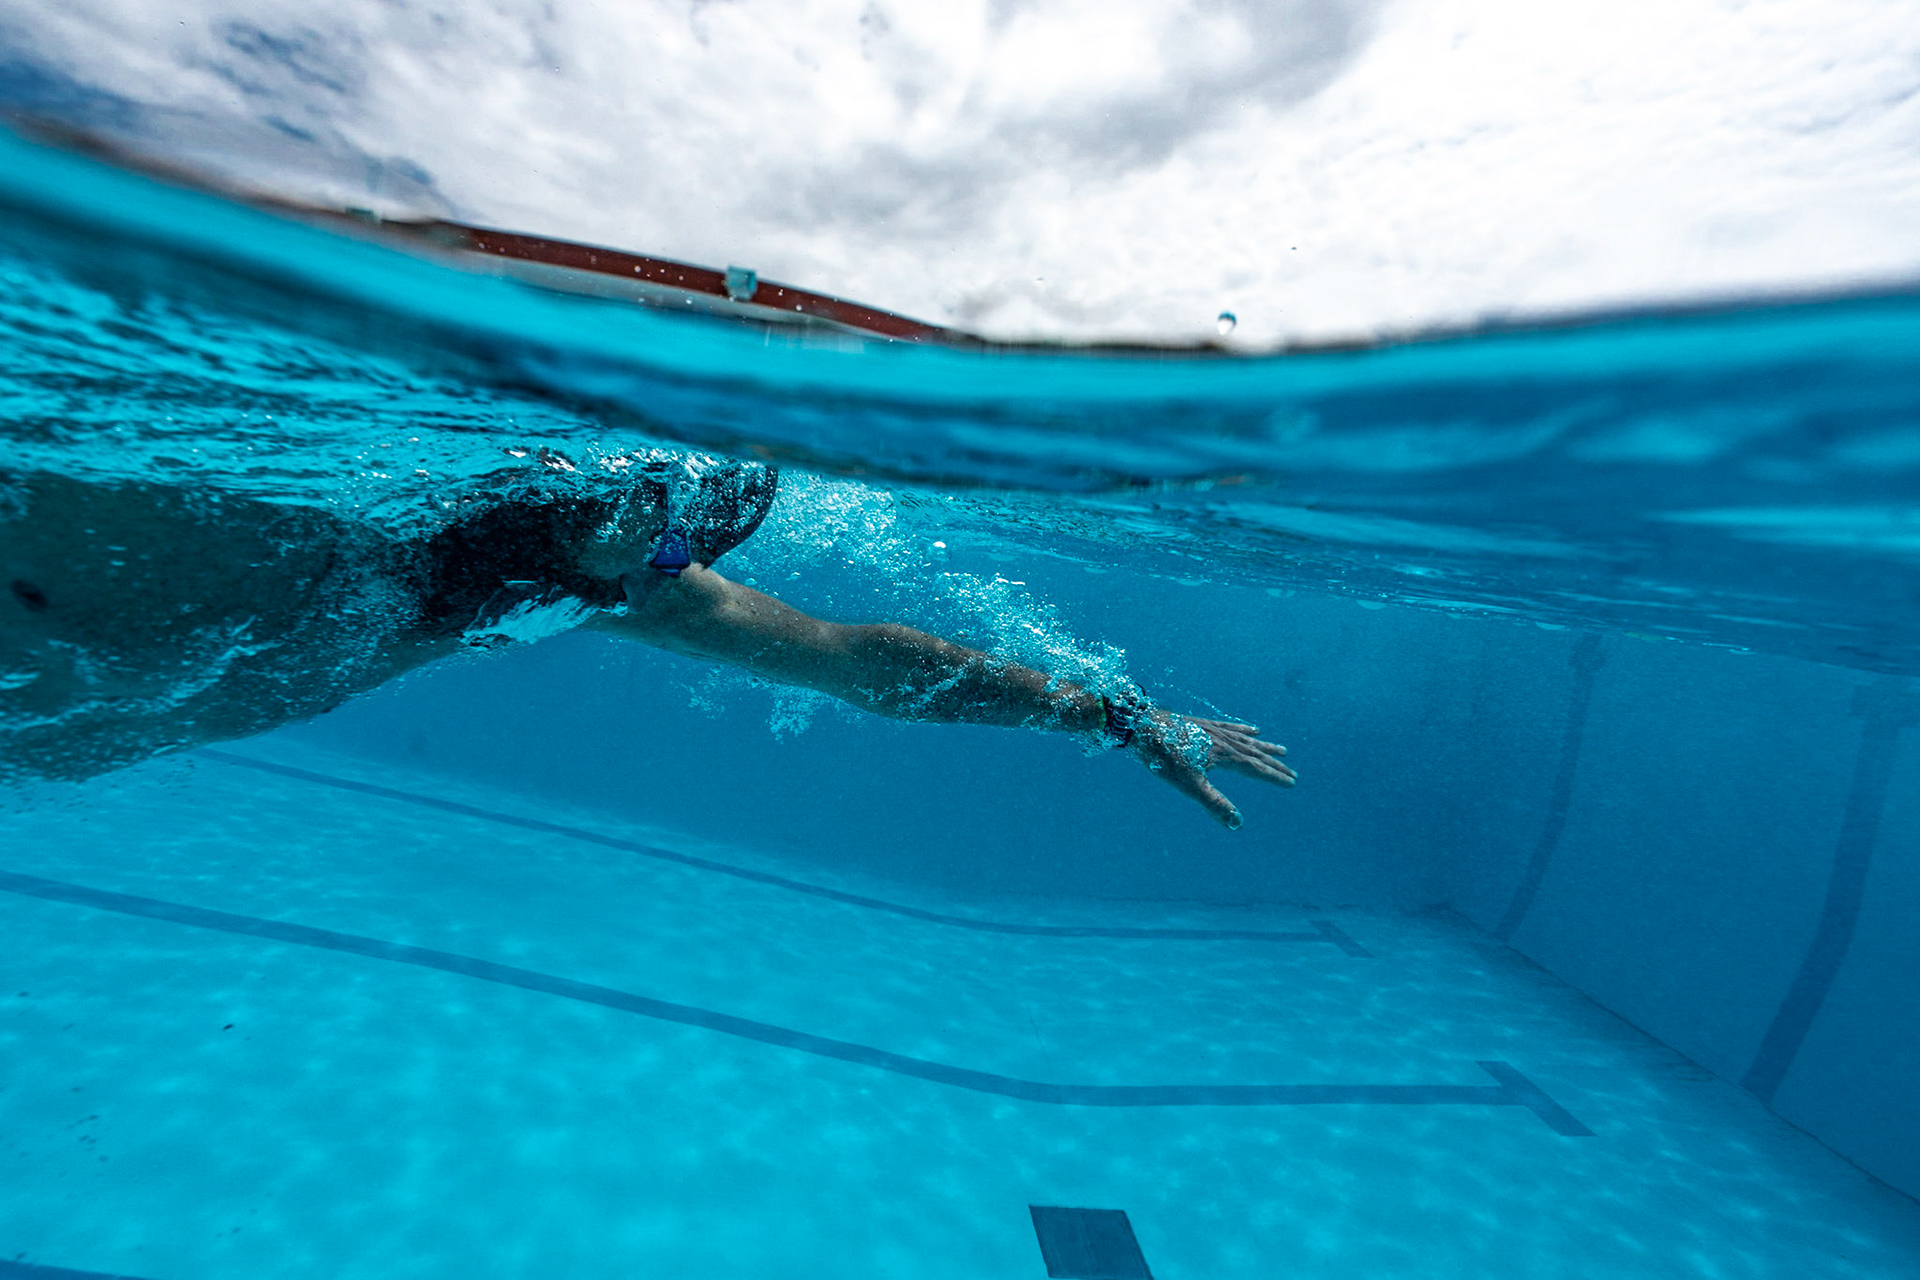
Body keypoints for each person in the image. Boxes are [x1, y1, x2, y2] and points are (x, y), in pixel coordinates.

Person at [1, 452, 1294, 825]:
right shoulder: (373, 488)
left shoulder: (637, 586)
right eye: (641, 522)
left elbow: (867, 665)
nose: (647, 559)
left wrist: (1114, 713)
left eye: (677, 548)